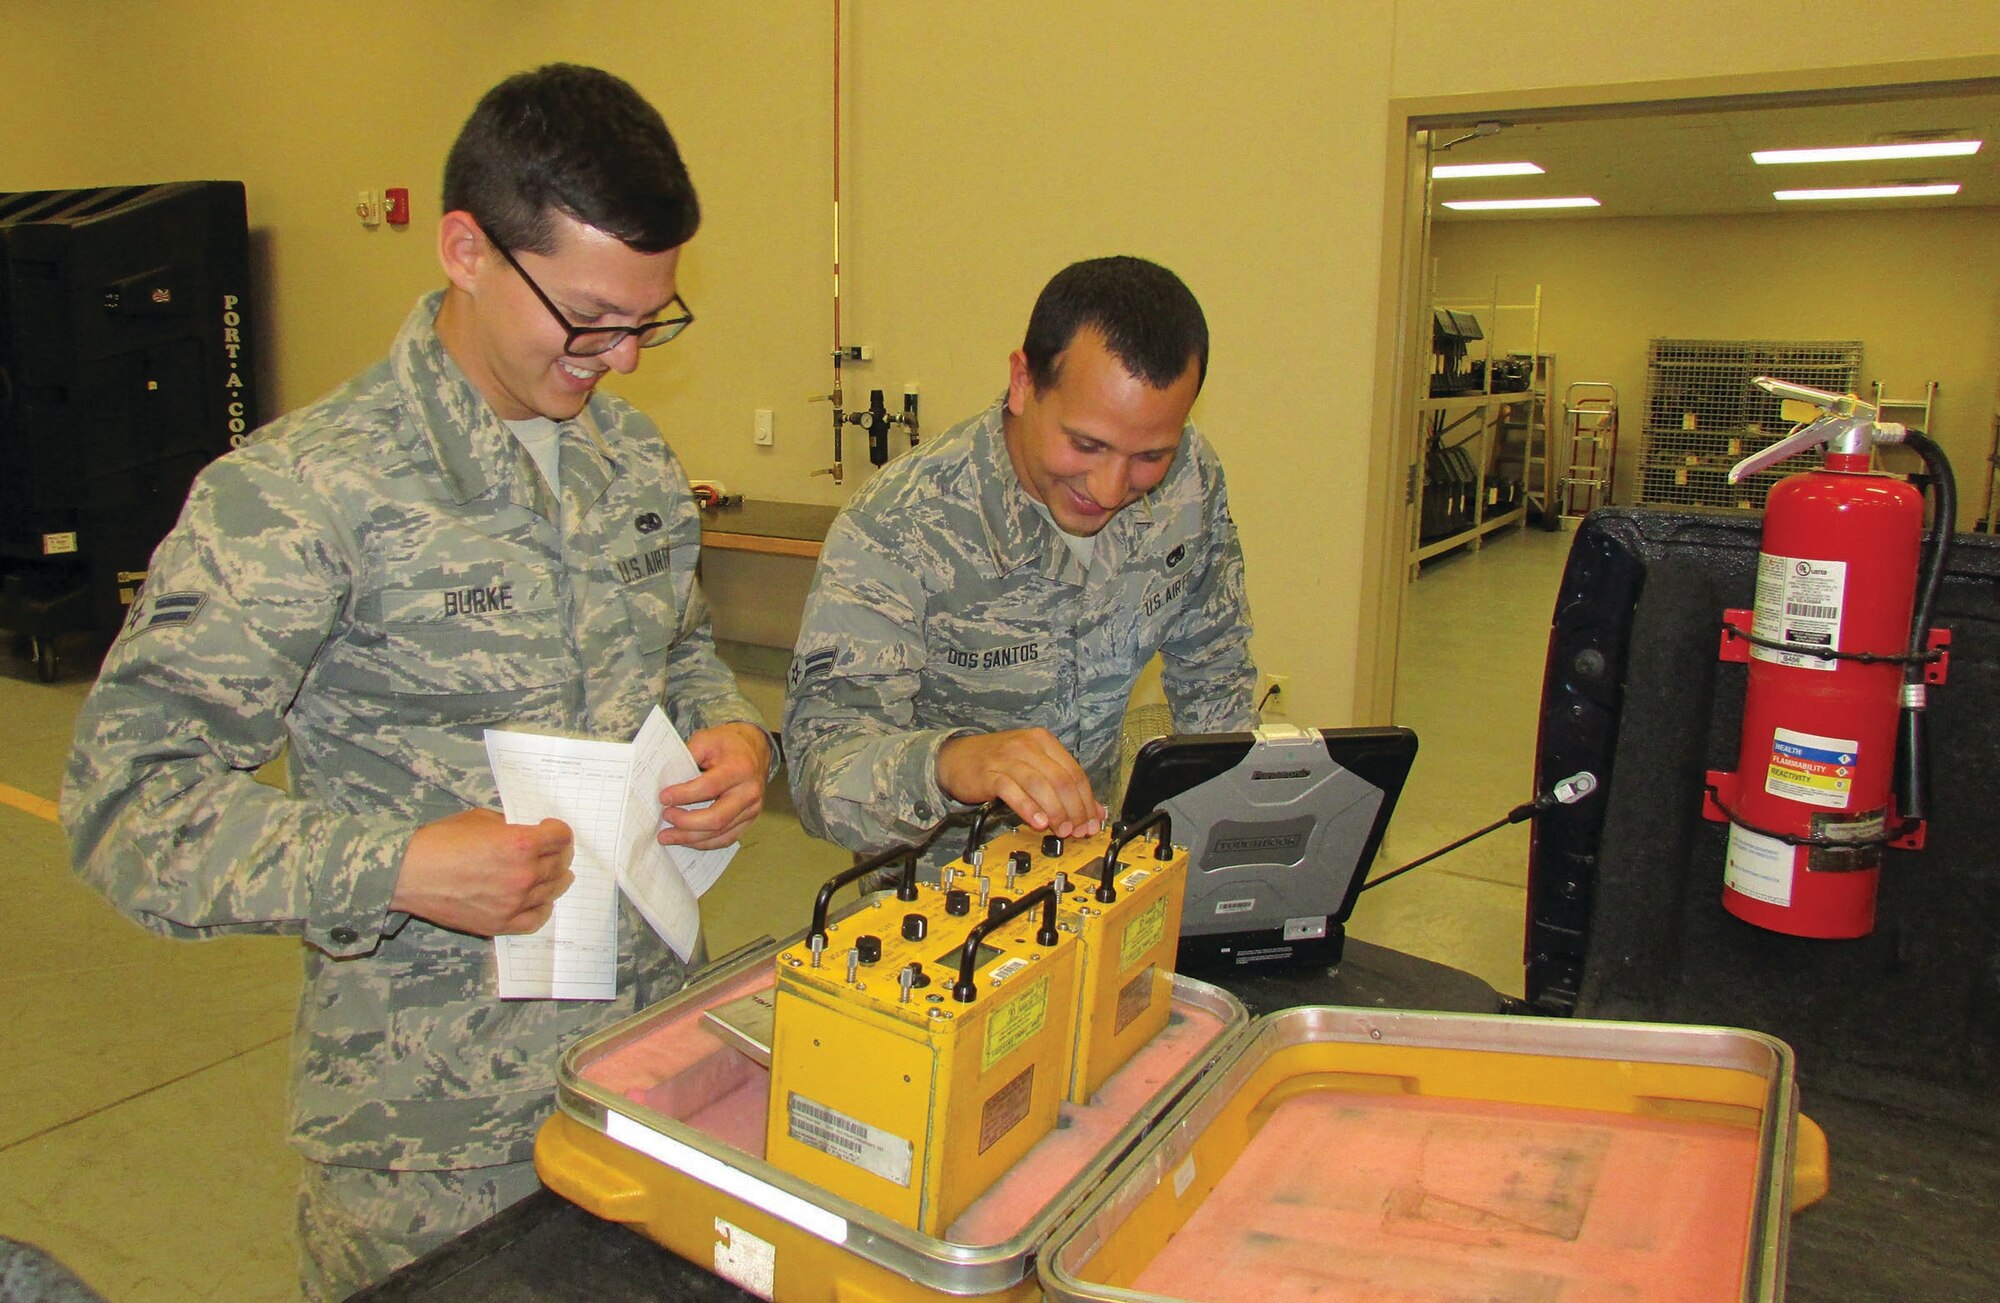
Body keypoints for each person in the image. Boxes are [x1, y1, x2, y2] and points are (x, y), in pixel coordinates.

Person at [60, 65, 771, 1299]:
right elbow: (127, 805)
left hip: (647, 1068)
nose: (621, 358)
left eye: (647, 322)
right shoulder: (298, 497)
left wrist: (725, 728)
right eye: (588, 317)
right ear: (466, 250)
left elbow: (680, 645)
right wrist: (394, 865)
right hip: (432, 1147)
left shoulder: (633, 462)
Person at [784, 255, 1256, 865]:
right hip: (939, 903)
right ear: (1023, 383)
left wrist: (1217, 857)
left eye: (1149, 457)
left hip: (1092, 880)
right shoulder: (899, 526)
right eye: (1086, 444)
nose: (1111, 488)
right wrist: (954, 763)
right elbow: (821, 770)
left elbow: (1216, 677)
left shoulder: (1191, 480)